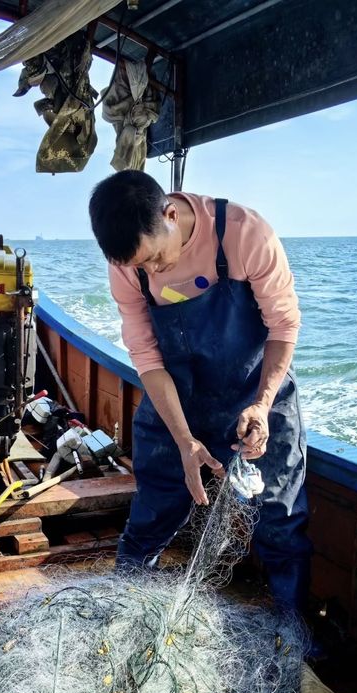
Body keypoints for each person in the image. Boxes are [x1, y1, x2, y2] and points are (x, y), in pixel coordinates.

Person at [89, 170, 312, 612]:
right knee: (152, 514)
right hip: (177, 396)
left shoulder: (246, 235)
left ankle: (293, 631)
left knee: (281, 522)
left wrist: (262, 407)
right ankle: (120, 613)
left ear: (170, 213)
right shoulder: (127, 267)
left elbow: (284, 327)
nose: (150, 271)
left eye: (154, 258)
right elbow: (148, 359)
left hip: (256, 395)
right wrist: (185, 439)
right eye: (138, 266)